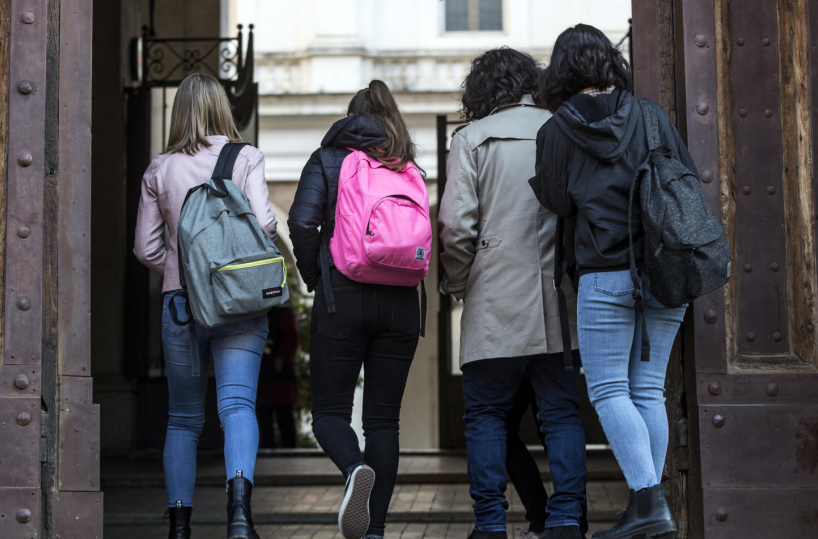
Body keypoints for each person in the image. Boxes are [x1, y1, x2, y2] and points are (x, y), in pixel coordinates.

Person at [530, 24, 695, 539]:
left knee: (607, 390)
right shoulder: (650, 115)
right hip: (666, 268)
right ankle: (649, 503)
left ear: (561, 70)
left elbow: (556, 203)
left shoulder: (556, 130)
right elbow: (684, 177)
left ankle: (648, 505)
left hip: (604, 274)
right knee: (648, 390)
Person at [438, 47, 587, 539]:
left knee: (484, 414)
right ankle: (566, 519)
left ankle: (490, 523)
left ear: (481, 89)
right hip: (559, 301)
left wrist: (459, 283)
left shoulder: (473, 138)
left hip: (495, 301)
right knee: (561, 413)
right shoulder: (565, 128)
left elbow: (456, 228)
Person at [134, 73, 278, 539]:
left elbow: (144, 248)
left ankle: (179, 526)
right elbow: (265, 226)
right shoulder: (247, 157)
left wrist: (181, 272)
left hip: (180, 303)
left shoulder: (160, 168)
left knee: (183, 418)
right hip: (239, 302)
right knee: (237, 405)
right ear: (223, 108)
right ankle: (239, 517)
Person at [288, 80, 423, 539]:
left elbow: (303, 222)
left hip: (341, 295)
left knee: (329, 413)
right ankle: (376, 530)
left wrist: (314, 274)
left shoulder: (328, 159)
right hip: (402, 302)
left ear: (351, 117)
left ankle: (352, 469)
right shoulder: (406, 165)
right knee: (384, 421)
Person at [257, 305, 301, 449]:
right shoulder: (254, 314)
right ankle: (268, 450)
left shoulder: (283, 313)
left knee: (284, 415)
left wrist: (281, 358)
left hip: (281, 373)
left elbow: (292, 337)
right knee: (263, 417)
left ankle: (289, 452)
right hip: (261, 373)